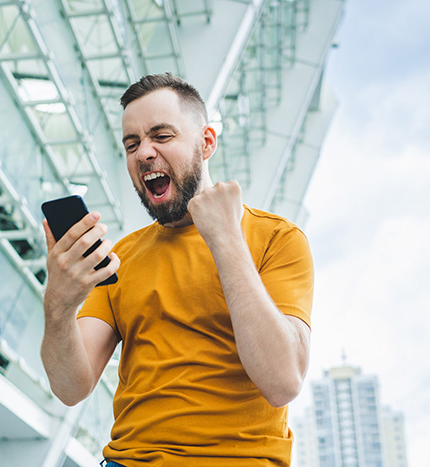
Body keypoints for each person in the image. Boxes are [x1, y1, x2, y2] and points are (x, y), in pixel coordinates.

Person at [40, 73, 314, 467]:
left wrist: (225, 240)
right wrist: (59, 302)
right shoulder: (122, 256)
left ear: (206, 143)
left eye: (161, 136)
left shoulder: (277, 238)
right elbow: (70, 387)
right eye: (131, 144)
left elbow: (283, 381)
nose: (143, 154)